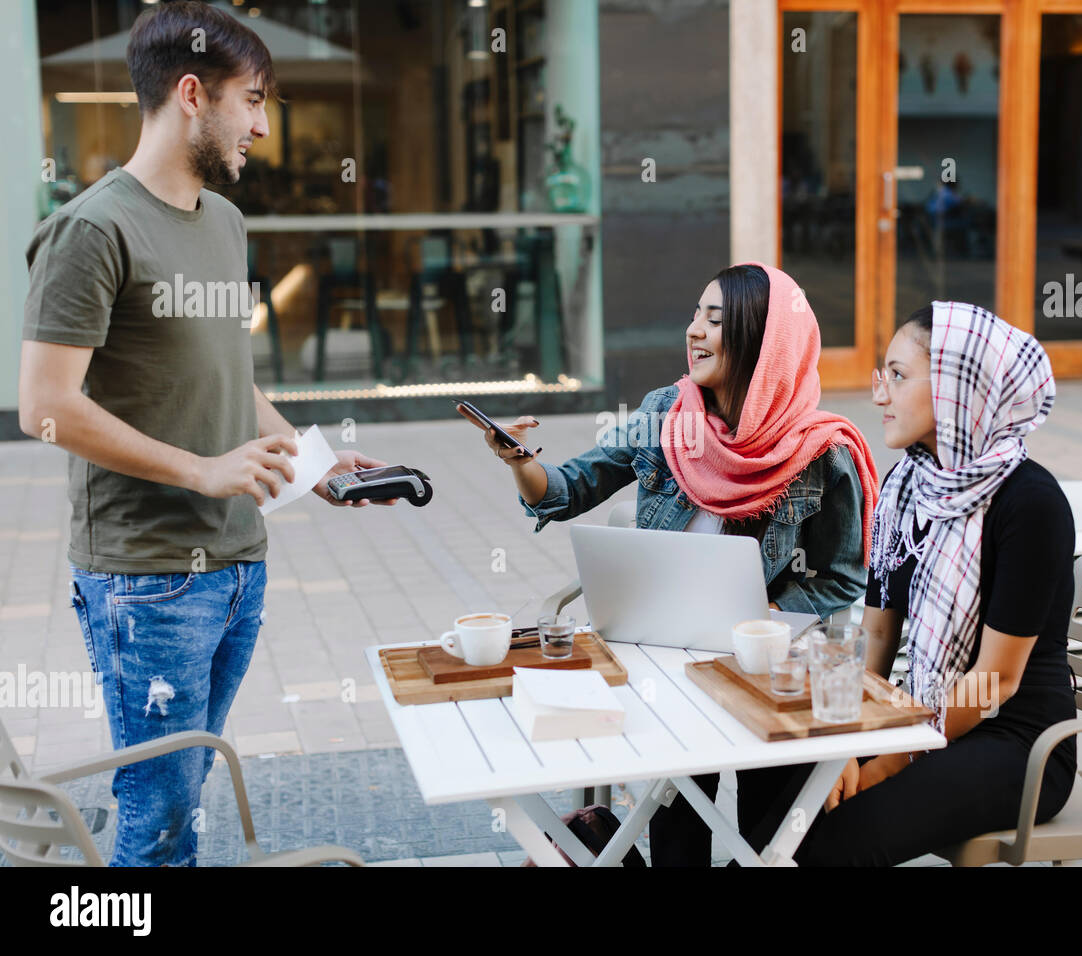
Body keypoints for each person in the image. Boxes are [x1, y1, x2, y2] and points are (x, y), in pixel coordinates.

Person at [18, 1, 394, 867]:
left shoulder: (224, 224)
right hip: (148, 582)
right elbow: (44, 405)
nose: (263, 125)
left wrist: (317, 467)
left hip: (236, 570)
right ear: (192, 93)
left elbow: (230, 378)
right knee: (158, 829)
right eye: (252, 100)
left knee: (180, 798)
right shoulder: (91, 229)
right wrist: (200, 470)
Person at [478, 261, 880, 866]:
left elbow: (842, 579)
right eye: (694, 315)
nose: (694, 331)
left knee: (766, 831)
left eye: (714, 320)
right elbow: (567, 488)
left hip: (763, 670)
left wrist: (771, 613)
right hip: (663, 658)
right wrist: (518, 462)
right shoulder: (667, 412)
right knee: (678, 822)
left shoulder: (820, 449)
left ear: (762, 341)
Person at [742, 300, 1079, 866]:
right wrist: (849, 741)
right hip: (921, 715)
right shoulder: (908, 487)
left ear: (957, 386)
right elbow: (876, 642)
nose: (879, 395)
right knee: (776, 779)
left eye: (898, 376)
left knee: (835, 832)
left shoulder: (1031, 503)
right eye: (884, 375)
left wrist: (889, 758)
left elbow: (994, 682)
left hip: (1017, 744)